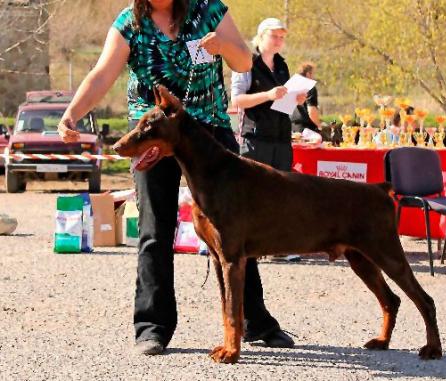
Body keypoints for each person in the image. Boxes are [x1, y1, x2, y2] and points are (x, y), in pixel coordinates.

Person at [57, 0, 294, 355]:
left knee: (236, 231)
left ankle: (255, 321)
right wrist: (71, 114)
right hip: (154, 135)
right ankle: (153, 327)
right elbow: (102, 73)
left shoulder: (209, 9)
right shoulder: (129, 23)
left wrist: (223, 46)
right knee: (155, 230)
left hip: (209, 131)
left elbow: (244, 61)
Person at [231, 17, 307, 172]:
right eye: (274, 36)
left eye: (282, 37)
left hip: (282, 141)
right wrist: (268, 95)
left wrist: (296, 100)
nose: (278, 41)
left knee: (281, 193)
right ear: (260, 36)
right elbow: (237, 101)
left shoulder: (282, 65)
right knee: (254, 191)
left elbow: (283, 102)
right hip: (256, 140)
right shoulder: (245, 62)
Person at [290, 62, 321, 133]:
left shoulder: (291, 87)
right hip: (306, 129)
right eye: (313, 73)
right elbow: (311, 111)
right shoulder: (309, 87)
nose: (313, 76)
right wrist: (319, 126)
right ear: (308, 74)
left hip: (291, 128)